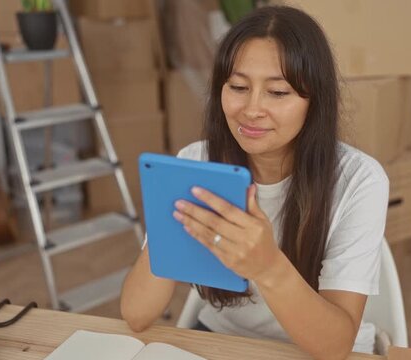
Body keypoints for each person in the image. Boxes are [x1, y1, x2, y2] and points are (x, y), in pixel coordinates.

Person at [120, 5, 389, 359]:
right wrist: (172, 226)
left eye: (277, 92)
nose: (251, 109)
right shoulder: (197, 163)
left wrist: (267, 266)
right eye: (238, 87)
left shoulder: (360, 181)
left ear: (315, 101)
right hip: (224, 341)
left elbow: (336, 346)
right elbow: (136, 315)